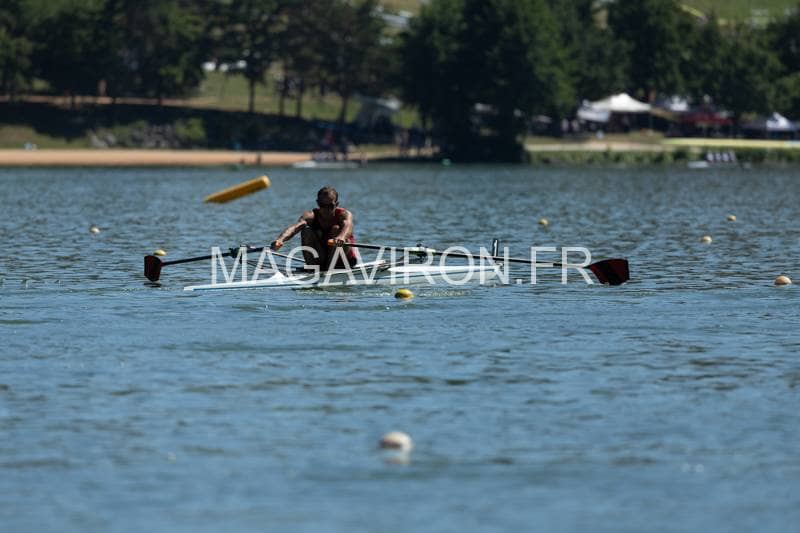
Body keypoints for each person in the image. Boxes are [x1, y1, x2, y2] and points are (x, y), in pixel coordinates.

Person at [270, 186, 357, 270]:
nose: (326, 210)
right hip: (322, 258)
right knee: (306, 231)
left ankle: (329, 269)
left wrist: (341, 237)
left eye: (330, 206)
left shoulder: (344, 214)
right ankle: (312, 269)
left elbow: (348, 226)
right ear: (318, 203)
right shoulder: (311, 216)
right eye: (322, 205)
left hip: (343, 260)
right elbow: (295, 227)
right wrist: (280, 240)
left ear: (336, 204)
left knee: (336, 229)